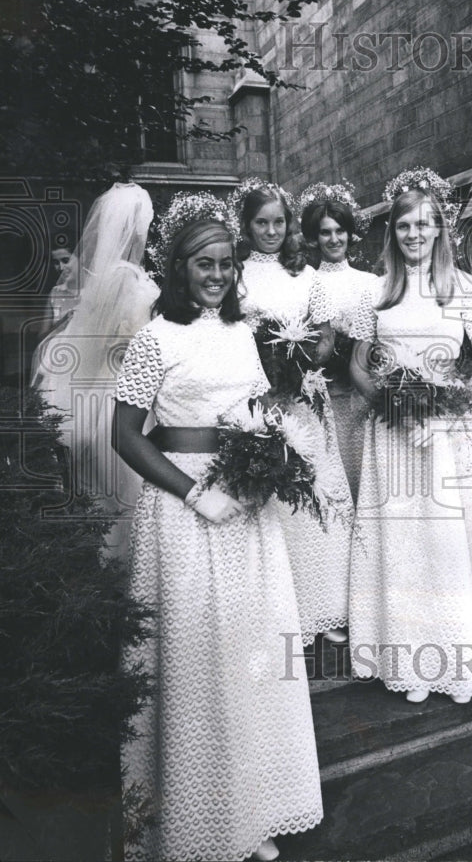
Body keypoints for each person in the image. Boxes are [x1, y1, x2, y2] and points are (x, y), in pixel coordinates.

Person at [112, 213, 323, 862]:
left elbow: (260, 414)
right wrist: (194, 491)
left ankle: (253, 813)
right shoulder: (155, 339)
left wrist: (269, 466)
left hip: (248, 511)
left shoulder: (240, 332)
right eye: (205, 264)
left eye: (226, 264)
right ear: (179, 269)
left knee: (250, 659)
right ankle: (193, 825)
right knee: (196, 661)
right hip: (184, 511)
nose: (217, 275)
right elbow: (124, 435)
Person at [348, 168, 472, 704]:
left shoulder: (462, 287)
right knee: (405, 545)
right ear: (392, 233)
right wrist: (391, 403)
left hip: (449, 436)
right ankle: (408, 659)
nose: (414, 234)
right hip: (394, 437)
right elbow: (357, 366)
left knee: (448, 544)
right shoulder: (377, 292)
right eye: (404, 226)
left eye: (424, 224)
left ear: (441, 228)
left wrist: (445, 412)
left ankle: (456, 660)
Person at [234, 181, 354, 645]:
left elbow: (325, 338)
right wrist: (263, 377)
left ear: (289, 226)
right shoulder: (238, 275)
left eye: (278, 222)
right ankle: (280, 612)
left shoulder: (307, 277)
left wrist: (297, 366)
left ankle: (328, 607)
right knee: (274, 502)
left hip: (302, 399)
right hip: (256, 403)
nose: (270, 230)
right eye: (261, 222)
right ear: (246, 226)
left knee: (315, 494)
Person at [31, 181, 159, 524]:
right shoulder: (124, 277)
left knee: (109, 492)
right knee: (128, 489)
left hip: (108, 387)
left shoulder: (109, 276)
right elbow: (120, 340)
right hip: (121, 389)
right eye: (144, 225)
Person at [300, 183, 376, 502]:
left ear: (350, 234)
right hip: (324, 394)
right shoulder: (306, 282)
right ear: (315, 238)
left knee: (364, 478)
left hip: (363, 396)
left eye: (340, 231)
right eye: (325, 232)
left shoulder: (369, 283)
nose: (334, 239)